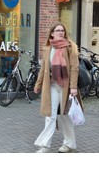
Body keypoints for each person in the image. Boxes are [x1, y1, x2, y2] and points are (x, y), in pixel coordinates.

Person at [34, 22, 82, 153]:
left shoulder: (70, 47)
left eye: (62, 30)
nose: (61, 32)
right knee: (50, 115)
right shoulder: (48, 49)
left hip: (66, 87)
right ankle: (45, 145)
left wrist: (73, 87)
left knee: (66, 115)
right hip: (52, 86)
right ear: (52, 33)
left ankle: (69, 144)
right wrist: (38, 84)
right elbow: (43, 68)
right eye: (58, 30)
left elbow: (74, 68)